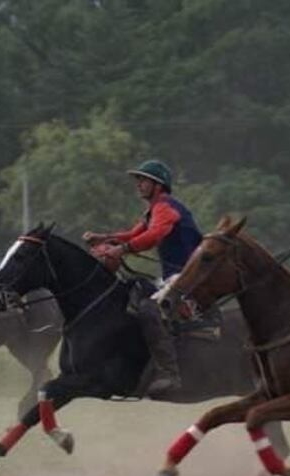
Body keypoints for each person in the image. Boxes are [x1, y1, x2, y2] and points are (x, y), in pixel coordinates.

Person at [83, 160, 203, 394]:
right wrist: (104, 238)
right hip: (176, 275)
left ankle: (169, 373)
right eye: (138, 180)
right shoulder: (153, 209)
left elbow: (155, 235)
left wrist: (122, 249)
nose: (138, 184)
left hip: (188, 275)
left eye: (143, 180)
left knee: (149, 310)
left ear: (158, 185)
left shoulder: (165, 207)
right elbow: (133, 234)